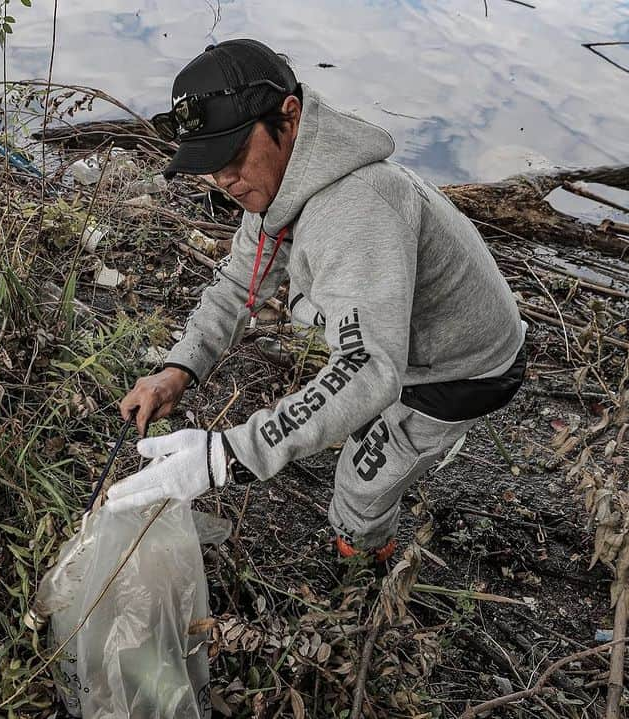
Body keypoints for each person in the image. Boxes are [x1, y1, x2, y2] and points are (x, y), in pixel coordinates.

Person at [108, 39, 527, 570]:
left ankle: (363, 568)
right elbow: (242, 282)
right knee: (353, 410)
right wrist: (179, 368)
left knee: (358, 490)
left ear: (290, 115)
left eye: (233, 156)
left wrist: (226, 456)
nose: (222, 180)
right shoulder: (281, 182)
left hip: (459, 369)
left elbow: (368, 368)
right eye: (209, 164)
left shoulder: (355, 208)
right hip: (392, 339)